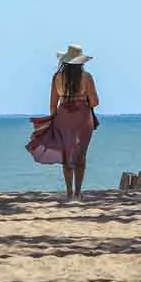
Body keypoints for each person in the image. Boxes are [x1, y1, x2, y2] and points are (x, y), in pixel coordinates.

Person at [26, 43, 99, 203]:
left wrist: (53, 119)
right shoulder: (87, 77)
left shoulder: (57, 77)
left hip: (64, 115)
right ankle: (78, 193)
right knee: (81, 155)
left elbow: (53, 104)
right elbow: (94, 102)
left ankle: (69, 193)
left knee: (67, 155)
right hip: (83, 116)